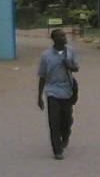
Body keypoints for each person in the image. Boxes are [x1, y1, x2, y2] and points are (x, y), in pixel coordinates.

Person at [37, 29, 79, 160]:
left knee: (66, 119)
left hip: (67, 90)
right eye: (60, 35)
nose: (63, 37)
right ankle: (57, 150)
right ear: (53, 39)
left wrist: (69, 65)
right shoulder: (46, 56)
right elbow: (42, 76)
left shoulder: (70, 51)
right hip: (52, 91)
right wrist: (39, 96)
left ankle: (66, 134)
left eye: (64, 35)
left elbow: (76, 68)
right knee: (53, 121)